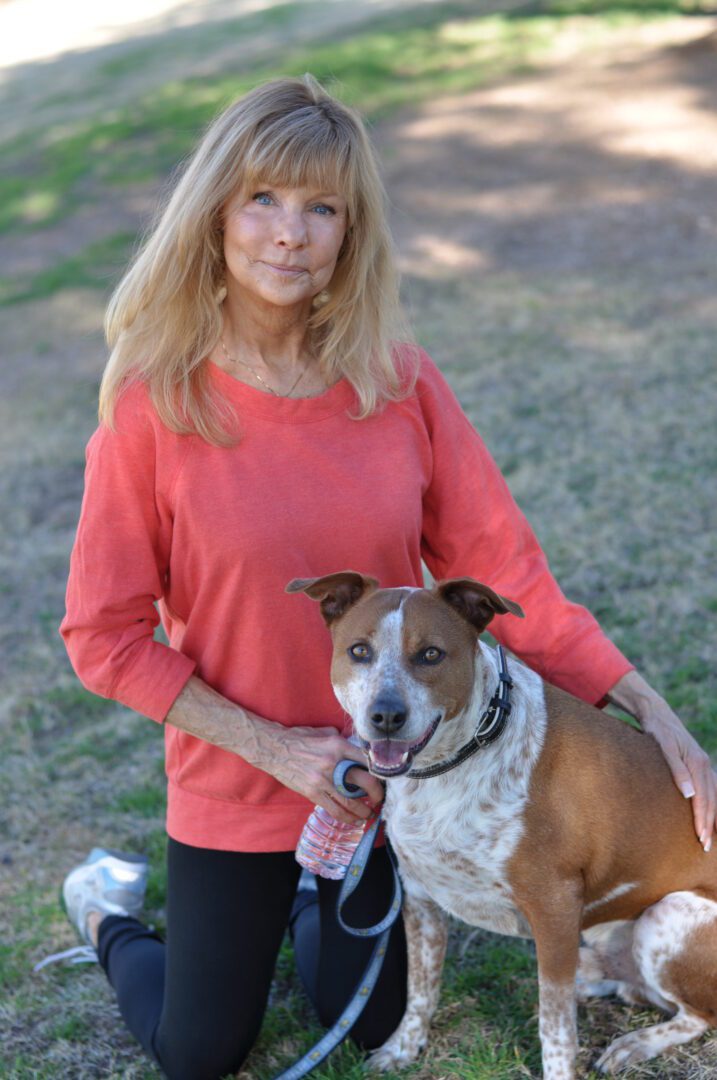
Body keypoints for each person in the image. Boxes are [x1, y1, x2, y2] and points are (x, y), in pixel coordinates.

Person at [54, 74, 716, 1080]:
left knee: (367, 1019)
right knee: (198, 1049)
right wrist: (277, 750)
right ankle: (107, 906)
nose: (291, 233)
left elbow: (503, 570)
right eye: (264, 200)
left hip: (383, 781)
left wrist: (652, 712)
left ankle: (314, 903)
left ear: (351, 233)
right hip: (239, 775)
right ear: (216, 215)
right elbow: (100, 640)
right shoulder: (153, 408)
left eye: (323, 207)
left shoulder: (397, 381)